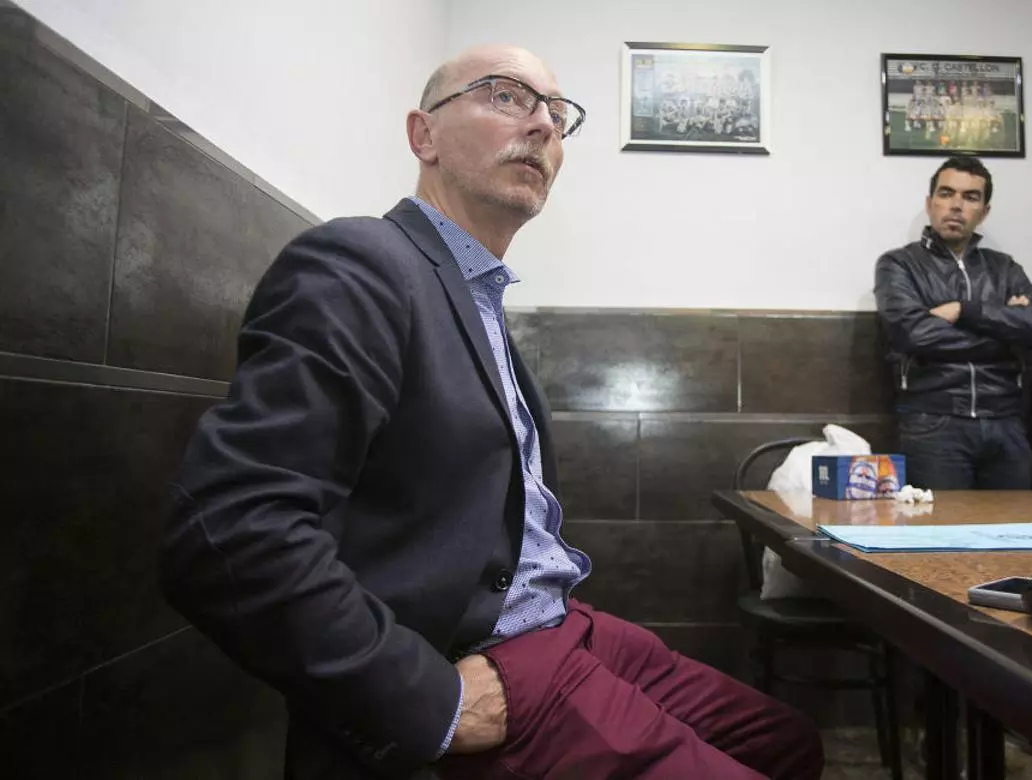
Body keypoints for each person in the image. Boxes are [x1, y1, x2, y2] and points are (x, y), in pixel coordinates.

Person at [158, 44, 822, 780]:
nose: (543, 126)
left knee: (786, 740)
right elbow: (229, 528)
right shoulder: (362, 263)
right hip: (489, 658)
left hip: (562, 625)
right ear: (424, 136)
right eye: (505, 96)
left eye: (558, 113)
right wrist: (429, 703)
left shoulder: (476, 299)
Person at [874, 157, 1032, 490]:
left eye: (970, 197)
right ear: (930, 204)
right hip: (934, 423)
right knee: (942, 524)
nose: (956, 206)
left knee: (1014, 523)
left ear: (984, 212)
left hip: (1006, 423)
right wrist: (1007, 330)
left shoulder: (1004, 268)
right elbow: (912, 334)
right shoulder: (899, 264)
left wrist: (964, 310)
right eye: (946, 194)